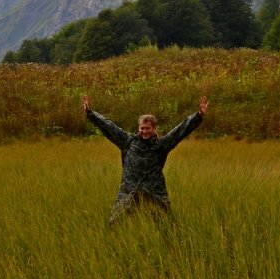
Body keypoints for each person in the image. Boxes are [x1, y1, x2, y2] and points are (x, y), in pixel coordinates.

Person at [83, 93, 209, 224]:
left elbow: (180, 130)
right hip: (129, 189)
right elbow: (108, 126)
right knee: (116, 221)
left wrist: (198, 116)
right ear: (138, 128)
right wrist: (90, 113)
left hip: (154, 190)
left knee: (166, 223)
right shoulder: (127, 141)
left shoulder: (161, 145)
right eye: (142, 128)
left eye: (147, 128)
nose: (144, 131)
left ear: (154, 128)